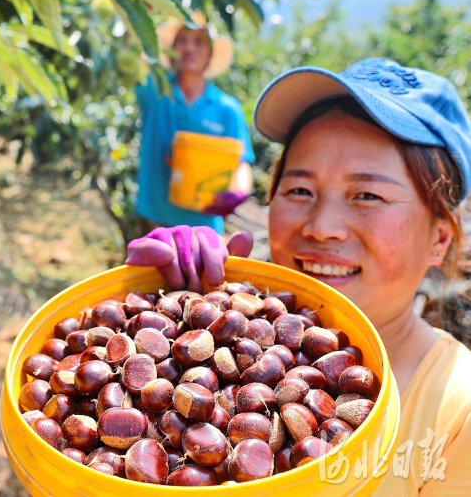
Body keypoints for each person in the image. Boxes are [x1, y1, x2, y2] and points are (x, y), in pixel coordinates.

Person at [126, 58, 471, 495]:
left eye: (368, 194)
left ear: (440, 237)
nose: (322, 225)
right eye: (299, 190)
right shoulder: (221, 308)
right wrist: (157, 307)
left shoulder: (459, 415)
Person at [134, 13, 255, 235]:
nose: (190, 48)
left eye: (199, 42)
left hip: (202, 226)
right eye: (182, 41)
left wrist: (238, 193)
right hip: (153, 218)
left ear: (210, 54)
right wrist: (139, 11)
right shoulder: (155, 91)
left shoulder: (227, 109)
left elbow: (241, 162)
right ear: (170, 51)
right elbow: (131, 56)